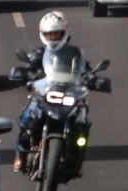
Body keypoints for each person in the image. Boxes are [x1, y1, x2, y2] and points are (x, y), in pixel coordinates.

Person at [13, 11, 79, 172]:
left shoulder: (73, 54)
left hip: (67, 95)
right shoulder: (39, 53)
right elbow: (30, 64)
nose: (53, 38)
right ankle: (21, 152)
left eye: (56, 34)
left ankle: (76, 156)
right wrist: (27, 74)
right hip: (45, 95)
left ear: (64, 33)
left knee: (81, 120)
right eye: (50, 35)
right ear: (44, 35)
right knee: (29, 116)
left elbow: (84, 69)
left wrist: (91, 78)